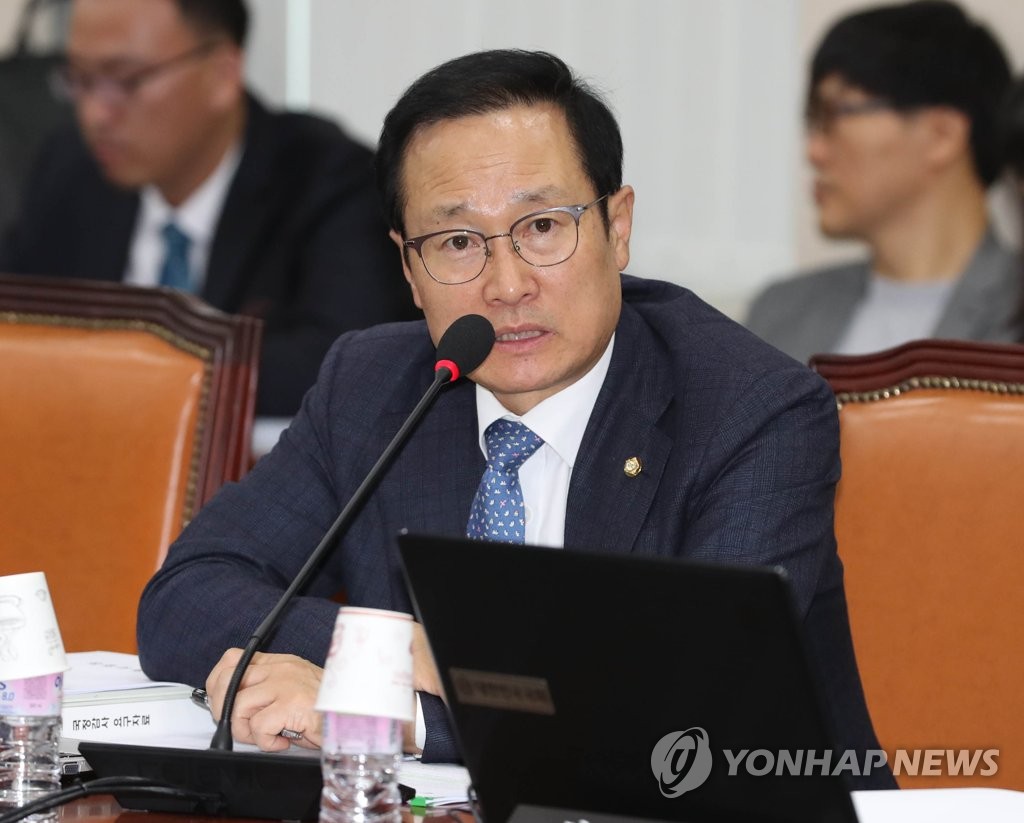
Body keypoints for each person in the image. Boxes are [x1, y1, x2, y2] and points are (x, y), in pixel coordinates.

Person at [137, 49, 893, 790]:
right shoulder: (370, 388)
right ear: (408, 269)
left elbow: (685, 713)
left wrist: (390, 704)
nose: (507, 285)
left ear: (617, 227)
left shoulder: (754, 411)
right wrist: (396, 649)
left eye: (542, 227)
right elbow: (186, 596)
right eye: (457, 242)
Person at [0, 0, 416, 416]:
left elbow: (347, 365)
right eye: (79, 79)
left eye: (126, 80)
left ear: (221, 73)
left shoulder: (329, 180)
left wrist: (127, 377)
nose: (94, 115)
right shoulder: (71, 171)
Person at [746, 0, 1016, 364]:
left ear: (942, 135)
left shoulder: (1014, 311)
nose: (814, 152)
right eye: (812, 122)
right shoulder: (779, 312)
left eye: (833, 114)